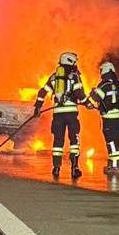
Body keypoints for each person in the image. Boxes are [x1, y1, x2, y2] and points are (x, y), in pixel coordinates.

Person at [34, 51, 88, 179]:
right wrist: (88, 104)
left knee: (58, 141)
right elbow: (80, 94)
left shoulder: (53, 77)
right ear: (70, 62)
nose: (75, 65)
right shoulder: (74, 76)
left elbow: (42, 92)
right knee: (74, 141)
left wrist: (37, 107)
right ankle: (75, 168)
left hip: (58, 114)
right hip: (71, 114)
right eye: (74, 62)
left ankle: (56, 168)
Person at [88, 61, 119, 174]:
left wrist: (92, 93)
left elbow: (95, 99)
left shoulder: (104, 85)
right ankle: (113, 163)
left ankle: (115, 165)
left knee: (111, 141)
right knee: (115, 140)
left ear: (104, 71)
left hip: (109, 119)